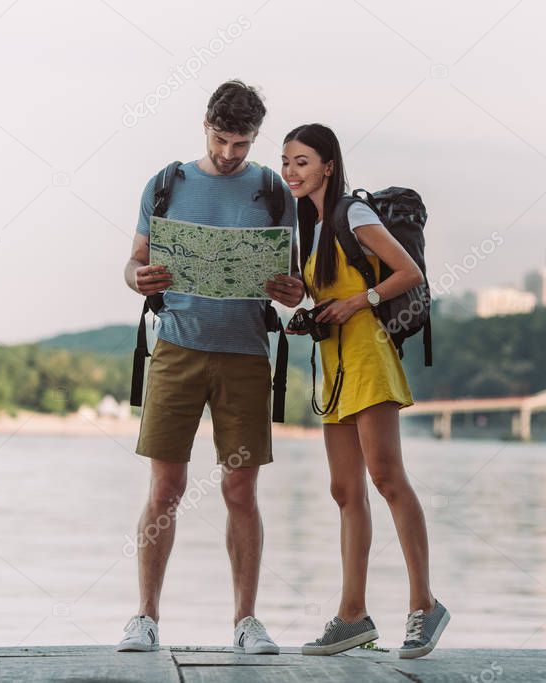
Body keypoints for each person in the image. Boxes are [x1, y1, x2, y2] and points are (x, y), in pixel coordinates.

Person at [116, 80, 304, 654]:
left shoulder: (276, 192)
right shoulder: (166, 184)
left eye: (241, 144)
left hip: (247, 354)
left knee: (240, 490)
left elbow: (294, 288)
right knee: (165, 487)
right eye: (222, 140)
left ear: (255, 139)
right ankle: (145, 617)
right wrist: (137, 277)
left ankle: (246, 621)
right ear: (205, 125)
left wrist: (291, 290)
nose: (229, 154)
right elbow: (134, 262)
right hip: (174, 348)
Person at [281, 123, 450, 659]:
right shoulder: (306, 227)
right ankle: (352, 616)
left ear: (328, 165)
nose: (291, 171)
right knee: (344, 491)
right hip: (332, 367)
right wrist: (294, 294)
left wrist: (360, 302)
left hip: (368, 356)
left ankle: (425, 605)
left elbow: (409, 272)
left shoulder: (353, 214)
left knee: (387, 477)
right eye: (286, 161)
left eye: (302, 161)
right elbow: (323, 288)